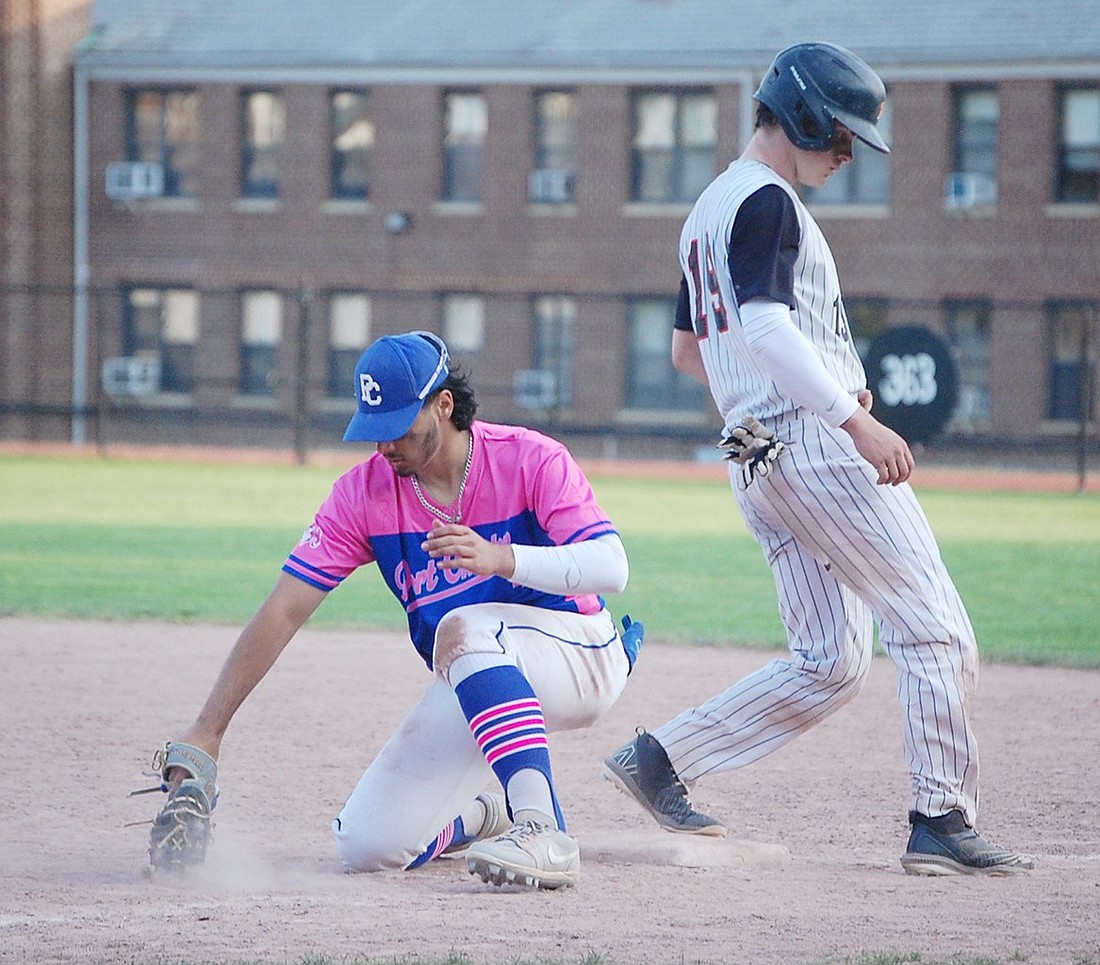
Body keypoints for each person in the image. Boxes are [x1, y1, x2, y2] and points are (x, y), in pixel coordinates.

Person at [602, 42, 1034, 876]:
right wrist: (848, 416)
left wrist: (800, 393)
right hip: (812, 444)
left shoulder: (707, 210)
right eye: (840, 136)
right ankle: (941, 816)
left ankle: (661, 759)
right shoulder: (770, 203)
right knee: (936, 629)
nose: (846, 155)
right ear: (799, 114)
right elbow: (763, 327)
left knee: (831, 660)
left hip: (754, 452)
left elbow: (690, 352)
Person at [151, 329, 643, 890]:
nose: (384, 447)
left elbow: (612, 566)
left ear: (444, 404)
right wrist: (208, 728)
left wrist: (503, 559)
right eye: (373, 431)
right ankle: (492, 813)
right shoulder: (364, 494)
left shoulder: (529, 459)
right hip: (481, 680)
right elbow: (284, 608)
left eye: (398, 429)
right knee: (367, 846)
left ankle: (541, 828)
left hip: (580, 654)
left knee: (462, 627)